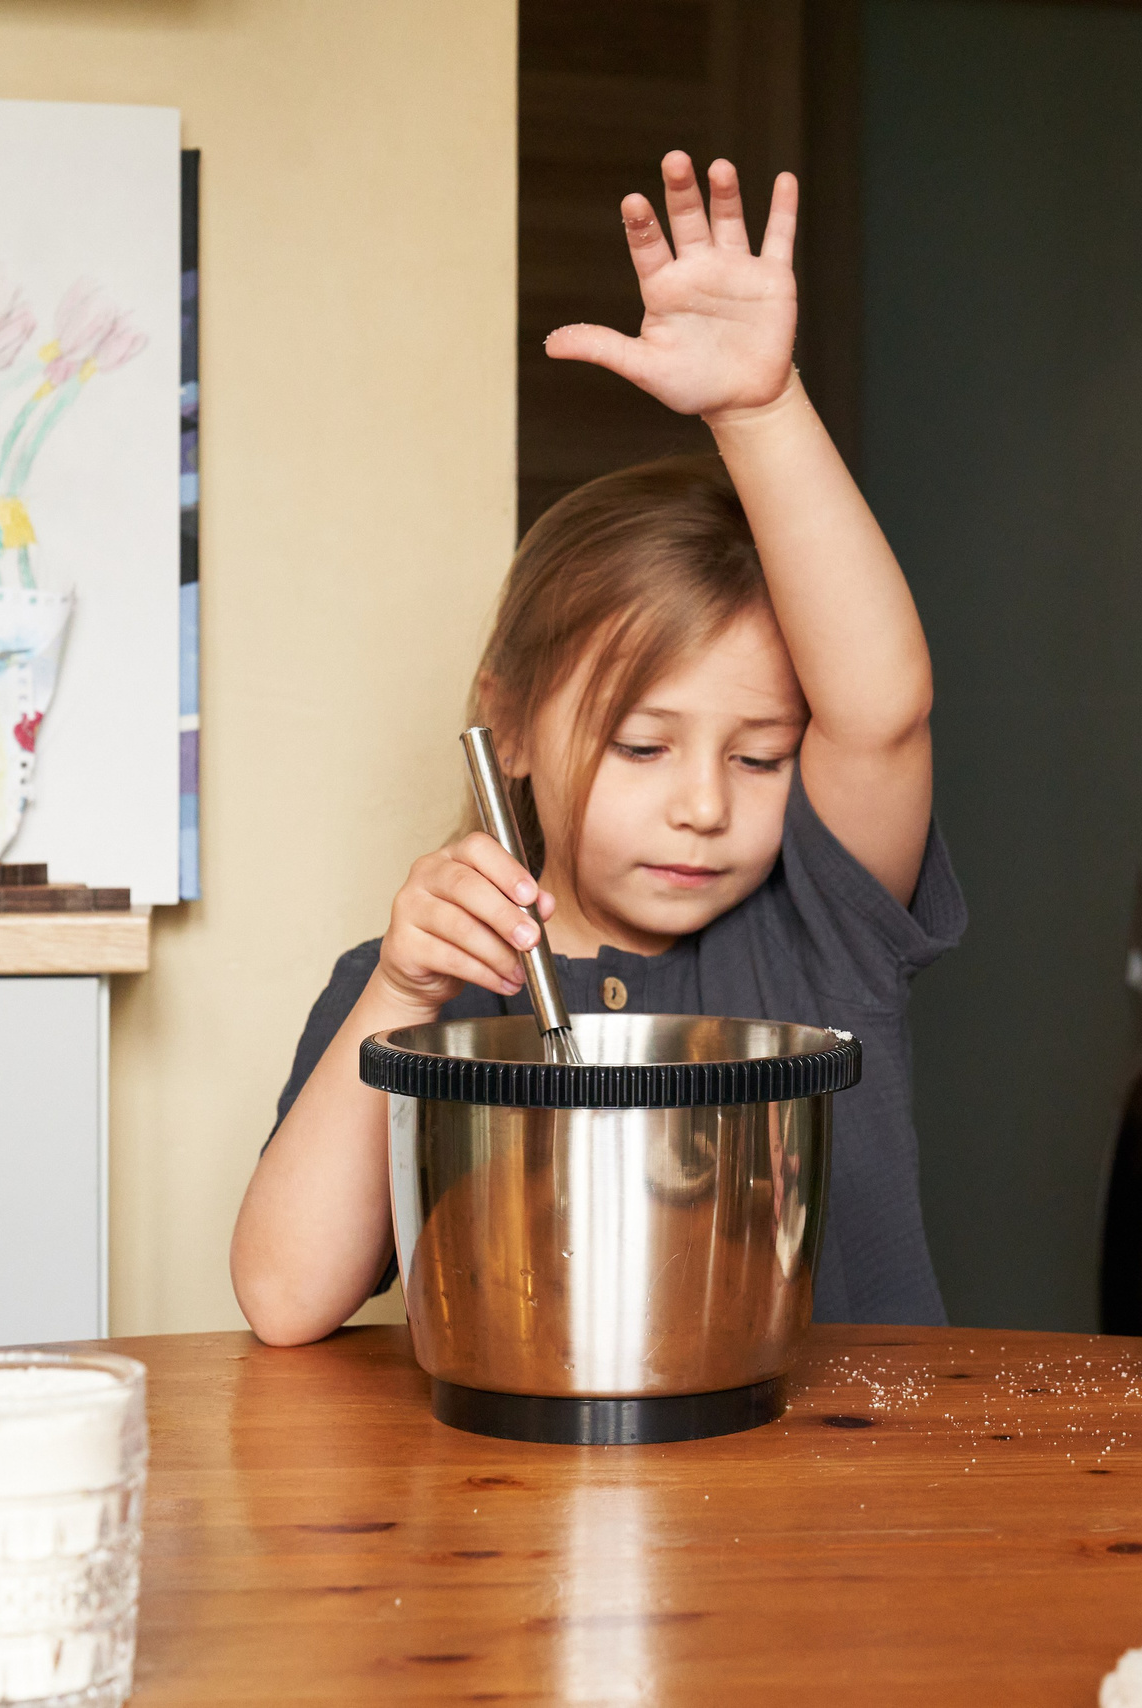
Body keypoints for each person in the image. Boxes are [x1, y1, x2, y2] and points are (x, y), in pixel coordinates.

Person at [232, 153, 961, 1347]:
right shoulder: (424, 983)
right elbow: (283, 1297)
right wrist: (403, 992)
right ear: (506, 723)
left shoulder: (818, 934)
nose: (703, 808)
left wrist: (758, 411)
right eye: (640, 746)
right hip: (513, 1517)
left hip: (835, 1512)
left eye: (760, 758)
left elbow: (880, 706)